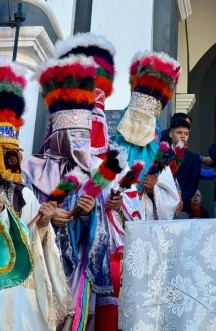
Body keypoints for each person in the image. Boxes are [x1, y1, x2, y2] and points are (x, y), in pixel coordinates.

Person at [54, 32, 144, 330]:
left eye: (96, 124)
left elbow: (131, 208)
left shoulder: (114, 164)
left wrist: (115, 204)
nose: (89, 134)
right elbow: (42, 206)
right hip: (61, 253)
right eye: (82, 129)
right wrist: (70, 209)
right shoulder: (53, 162)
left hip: (103, 253)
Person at [23, 55, 107, 329]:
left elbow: (101, 235)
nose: (79, 145)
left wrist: (88, 213)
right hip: (41, 267)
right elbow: (19, 218)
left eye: (83, 137)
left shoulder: (94, 172)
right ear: (57, 134)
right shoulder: (31, 169)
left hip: (77, 271)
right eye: (73, 136)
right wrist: (45, 218)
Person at [0, 59, 69, 330]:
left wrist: (42, 224)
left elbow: (33, 247)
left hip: (19, 294)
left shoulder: (26, 195)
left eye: (12, 156)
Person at [114, 51, 181, 220]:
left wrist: (153, 190)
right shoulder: (110, 151)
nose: (138, 124)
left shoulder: (160, 156)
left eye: (144, 119)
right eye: (134, 116)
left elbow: (170, 203)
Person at [169, 117, 201, 215]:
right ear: (171, 134)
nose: (183, 136)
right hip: (161, 204)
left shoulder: (194, 158)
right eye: (179, 133)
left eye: (186, 134)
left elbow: (193, 185)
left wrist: (180, 200)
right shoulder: (162, 154)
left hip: (183, 207)